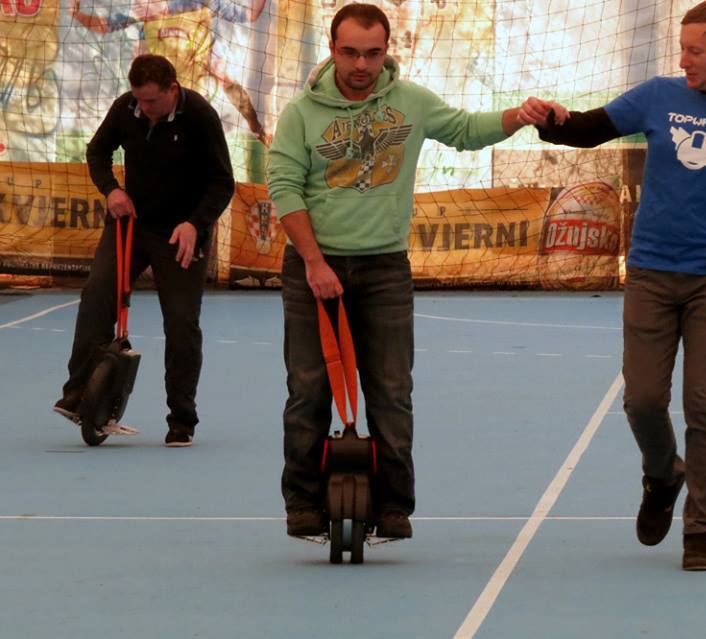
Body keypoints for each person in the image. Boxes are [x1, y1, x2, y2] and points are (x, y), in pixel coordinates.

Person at [525, 0, 706, 570]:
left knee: (705, 407)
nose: (684, 60)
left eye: (695, 51)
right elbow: (589, 130)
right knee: (644, 400)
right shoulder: (657, 96)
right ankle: (662, 474)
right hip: (651, 275)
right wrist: (552, 120)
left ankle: (702, 529)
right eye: (682, 49)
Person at [267, 3, 550, 539]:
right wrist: (314, 262)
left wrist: (520, 115)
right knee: (307, 389)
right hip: (313, 266)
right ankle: (301, 502)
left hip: (384, 269)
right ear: (332, 50)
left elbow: (465, 130)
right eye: (351, 52)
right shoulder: (302, 112)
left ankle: (394, 506)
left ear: (386, 52)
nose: (361, 65)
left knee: (392, 390)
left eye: (372, 53)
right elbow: (284, 187)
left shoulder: (411, 102)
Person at [53, 54, 235, 448]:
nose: (145, 108)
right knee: (97, 295)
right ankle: (78, 391)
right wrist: (111, 190)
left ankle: (181, 419)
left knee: (181, 323)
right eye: (139, 100)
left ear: (173, 89)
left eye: (152, 101)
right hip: (131, 225)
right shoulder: (126, 108)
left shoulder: (199, 116)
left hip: (180, 234)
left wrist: (195, 224)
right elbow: (97, 152)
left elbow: (223, 182)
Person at [70, 0, 268, 144]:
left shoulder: (203, 6)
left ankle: (256, 128)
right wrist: (77, 15)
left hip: (192, 101)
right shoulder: (144, 8)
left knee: (221, 72)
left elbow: (249, 14)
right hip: (159, 104)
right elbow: (105, 25)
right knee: (139, 57)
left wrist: (166, 7)